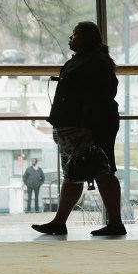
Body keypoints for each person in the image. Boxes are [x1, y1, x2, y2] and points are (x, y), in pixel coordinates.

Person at [33, 21, 126, 237]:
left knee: (101, 171)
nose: (70, 38)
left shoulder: (95, 63)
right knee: (77, 173)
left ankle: (114, 222)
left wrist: (87, 126)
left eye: (75, 34)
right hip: (76, 127)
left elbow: (97, 97)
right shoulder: (87, 61)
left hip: (87, 128)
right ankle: (61, 221)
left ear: (85, 38)